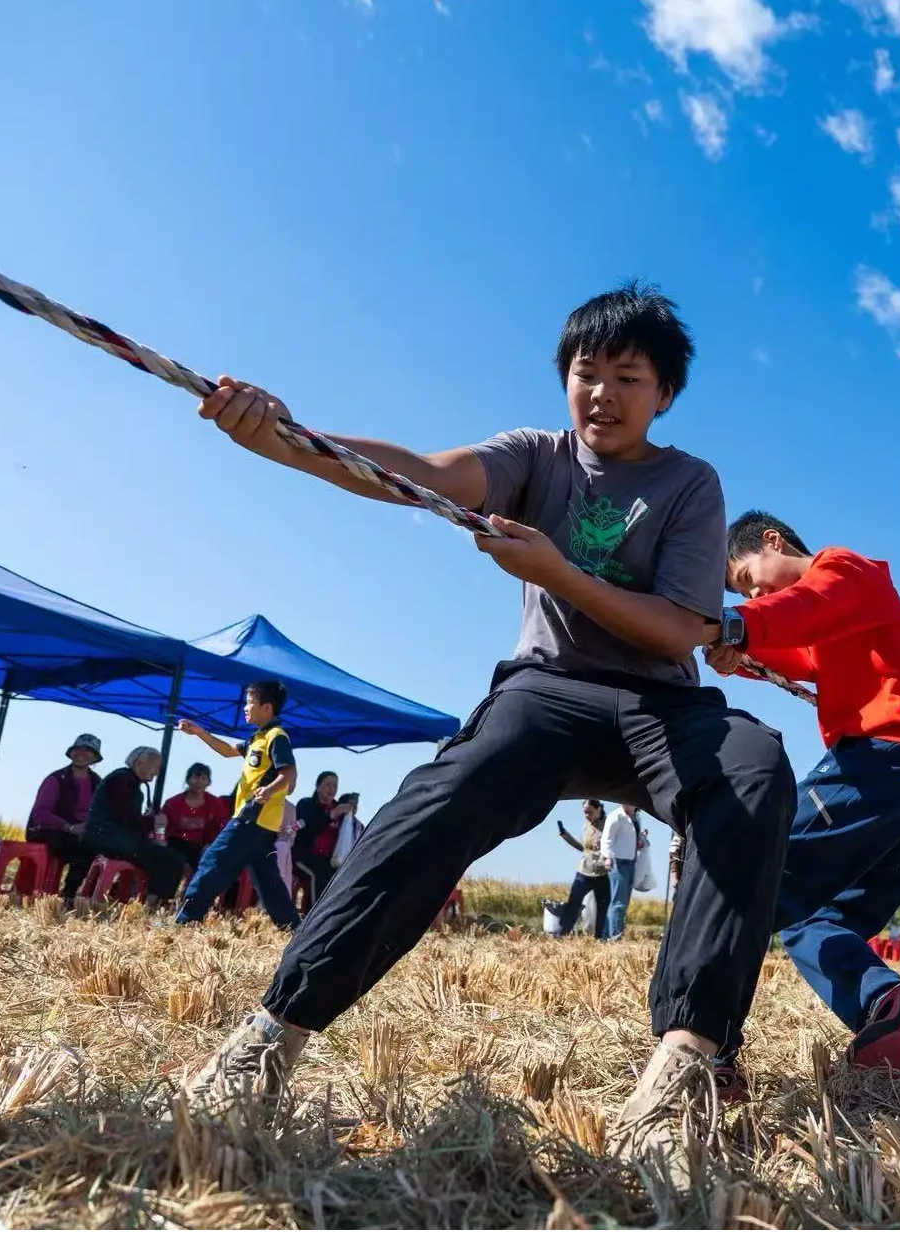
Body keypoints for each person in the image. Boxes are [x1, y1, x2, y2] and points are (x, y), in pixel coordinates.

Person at [182, 283, 796, 1181]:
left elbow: (676, 629)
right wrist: (287, 438)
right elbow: (420, 475)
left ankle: (685, 1067)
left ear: (664, 395)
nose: (603, 394)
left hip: (662, 703)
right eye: (587, 373)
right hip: (547, 692)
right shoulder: (534, 458)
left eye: (629, 377)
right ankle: (271, 1037)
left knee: (754, 768)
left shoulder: (688, 483)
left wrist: (555, 569)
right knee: (447, 794)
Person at [702, 510, 900, 1086]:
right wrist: (737, 651)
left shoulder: (843, 568)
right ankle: (885, 1006)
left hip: (887, 758)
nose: (755, 591)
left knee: (755, 878)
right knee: (817, 916)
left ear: (772, 541)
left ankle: (705, 1041)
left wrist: (736, 622)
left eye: (750, 578)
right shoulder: (838, 614)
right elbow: (794, 647)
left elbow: (800, 611)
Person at [174, 680, 302, 930]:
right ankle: (292, 927)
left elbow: (288, 772)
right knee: (267, 879)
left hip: (253, 817)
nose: (245, 708)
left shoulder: (277, 737)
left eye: (249, 703)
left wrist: (269, 790)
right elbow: (227, 751)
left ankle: (186, 920)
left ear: (267, 707)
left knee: (214, 860)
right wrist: (200, 732)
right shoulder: (258, 737)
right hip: (262, 823)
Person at [79, 746, 186, 903]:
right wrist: (153, 822)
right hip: (110, 841)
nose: (156, 772)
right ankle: (152, 906)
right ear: (139, 763)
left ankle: (138, 899)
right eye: (155, 766)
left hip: (107, 838)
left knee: (162, 857)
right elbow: (128, 819)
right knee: (171, 860)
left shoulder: (125, 780)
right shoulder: (123, 780)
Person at [26, 733, 104, 901]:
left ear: (95, 758)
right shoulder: (56, 779)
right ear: (71, 753)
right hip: (47, 831)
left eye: (88, 751)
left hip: (80, 833)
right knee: (82, 850)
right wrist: (69, 827)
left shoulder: (98, 783)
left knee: (101, 850)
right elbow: (40, 814)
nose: (81, 754)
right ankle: (67, 896)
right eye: (78, 749)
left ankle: (88, 898)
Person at [293, 771, 356, 909]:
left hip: (329, 859)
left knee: (338, 877)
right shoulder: (306, 804)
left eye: (335, 786)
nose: (331, 789)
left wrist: (349, 815)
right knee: (318, 875)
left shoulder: (338, 807)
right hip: (303, 857)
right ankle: (312, 917)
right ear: (318, 786)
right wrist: (331, 815)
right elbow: (305, 828)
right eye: (327, 785)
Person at [553, 800, 614, 937]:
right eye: (585, 812)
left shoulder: (608, 825)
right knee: (573, 903)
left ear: (599, 809)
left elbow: (611, 847)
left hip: (601, 874)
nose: (586, 815)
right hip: (584, 872)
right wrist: (567, 837)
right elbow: (584, 848)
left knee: (603, 906)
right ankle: (562, 933)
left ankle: (600, 936)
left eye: (589, 812)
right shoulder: (586, 825)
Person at [161, 761, 230, 874]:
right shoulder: (173, 803)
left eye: (204, 778)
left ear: (208, 782)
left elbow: (221, 827)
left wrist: (209, 845)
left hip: (202, 848)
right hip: (175, 846)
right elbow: (162, 827)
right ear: (188, 779)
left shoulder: (215, 804)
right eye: (196, 777)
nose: (199, 782)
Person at [601, 802, 644, 940]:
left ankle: (607, 934)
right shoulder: (615, 816)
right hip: (618, 862)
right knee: (618, 901)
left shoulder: (635, 817)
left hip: (630, 861)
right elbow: (606, 838)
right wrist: (607, 857)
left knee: (622, 901)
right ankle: (615, 935)